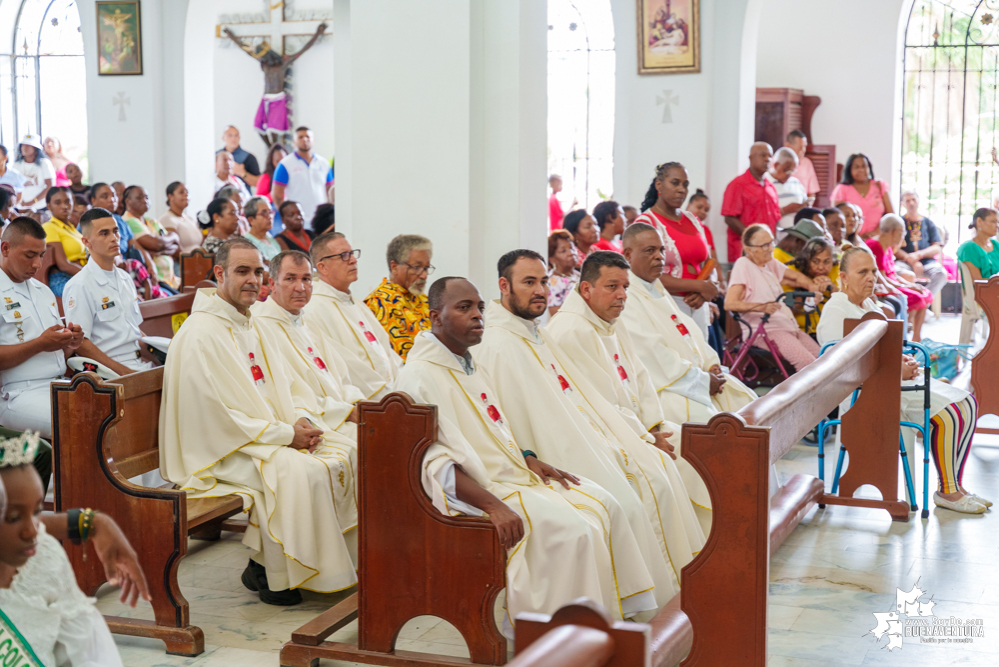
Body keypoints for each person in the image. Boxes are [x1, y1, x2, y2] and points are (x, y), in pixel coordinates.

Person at [396, 276, 664, 630]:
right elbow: (433, 463)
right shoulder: (419, 376)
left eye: (479, 306)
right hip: (484, 490)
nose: (478, 315)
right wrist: (492, 506)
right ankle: (551, 632)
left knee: (605, 503)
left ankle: (602, 619)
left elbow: (495, 428)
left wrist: (527, 457)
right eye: (464, 308)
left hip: (514, 475)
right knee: (573, 530)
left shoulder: (466, 363)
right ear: (435, 316)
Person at [479, 250, 704, 586]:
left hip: (584, 438)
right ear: (504, 285)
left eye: (543, 281)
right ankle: (649, 598)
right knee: (630, 499)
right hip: (552, 452)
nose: (540, 290)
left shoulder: (534, 333)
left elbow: (583, 397)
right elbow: (516, 422)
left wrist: (631, 437)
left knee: (654, 476)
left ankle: (681, 584)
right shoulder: (498, 345)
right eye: (529, 282)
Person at [160, 238, 360, 605]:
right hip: (216, 451)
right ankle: (273, 573)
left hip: (256, 436)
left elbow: (285, 385)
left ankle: (327, 564)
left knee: (344, 449)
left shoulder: (249, 324)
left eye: (256, 271)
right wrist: (286, 436)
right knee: (302, 472)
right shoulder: (200, 334)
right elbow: (215, 418)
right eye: (242, 271)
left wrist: (299, 421)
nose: (252, 280)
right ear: (219, 273)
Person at [817, 247, 988, 514]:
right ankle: (948, 491)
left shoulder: (870, 305)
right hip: (865, 395)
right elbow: (840, 365)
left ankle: (954, 485)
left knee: (968, 403)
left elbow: (883, 350)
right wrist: (896, 369)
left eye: (873, 271)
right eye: (862, 272)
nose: (871, 277)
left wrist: (904, 360)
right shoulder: (836, 309)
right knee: (952, 412)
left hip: (890, 384)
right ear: (844, 277)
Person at [544, 253, 707, 526]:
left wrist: (654, 427)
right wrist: (649, 437)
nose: (622, 295)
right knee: (665, 469)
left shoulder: (609, 321)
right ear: (586, 289)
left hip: (635, 427)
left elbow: (640, 378)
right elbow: (599, 406)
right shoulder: (572, 331)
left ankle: (709, 543)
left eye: (625, 287)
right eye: (612, 286)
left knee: (700, 447)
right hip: (604, 436)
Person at [617, 224, 769, 507]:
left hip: (695, 380)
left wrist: (712, 365)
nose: (659, 257)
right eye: (649, 251)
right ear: (627, 254)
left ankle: (760, 504)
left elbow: (689, 331)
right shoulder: (627, 295)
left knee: (749, 405)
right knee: (716, 428)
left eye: (661, 250)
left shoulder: (655, 287)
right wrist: (701, 380)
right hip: (667, 390)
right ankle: (729, 510)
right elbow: (651, 354)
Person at [0, 433, 151, 667]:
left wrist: (92, 522)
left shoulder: (44, 556)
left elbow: (87, 651)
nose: (32, 531)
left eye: (38, 511)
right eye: (12, 517)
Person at [0, 218, 84, 438]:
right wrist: (40, 344)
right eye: (30, 255)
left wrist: (71, 343)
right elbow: (42, 346)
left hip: (58, 383)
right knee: (80, 423)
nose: (37, 264)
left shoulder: (43, 291)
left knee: (114, 413)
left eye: (41, 255)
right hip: (17, 393)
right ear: (5, 248)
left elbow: (56, 354)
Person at [307, 232, 402, 399]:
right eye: (344, 255)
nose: (353, 260)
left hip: (391, 398)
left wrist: (403, 386)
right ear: (322, 267)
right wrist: (388, 397)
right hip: (362, 403)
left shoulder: (357, 304)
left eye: (352, 253)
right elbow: (344, 365)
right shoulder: (314, 308)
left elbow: (386, 350)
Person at [63, 207, 156, 376]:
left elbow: (134, 331)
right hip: (110, 372)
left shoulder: (125, 278)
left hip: (139, 364)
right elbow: (82, 344)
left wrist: (161, 357)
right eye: (104, 234)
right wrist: (126, 373)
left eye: (115, 231)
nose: (114, 238)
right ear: (86, 242)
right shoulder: (80, 285)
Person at [634, 162, 719, 338]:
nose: (681, 189)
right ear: (659, 185)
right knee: (678, 361)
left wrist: (701, 293)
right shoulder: (647, 223)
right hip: (666, 303)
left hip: (697, 303)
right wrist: (698, 286)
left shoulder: (693, 220)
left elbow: (708, 262)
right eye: (675, 183)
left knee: (702, 359)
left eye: (685, 185)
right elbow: (646, 274)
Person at [724, 224, 823, 371]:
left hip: (789, 326)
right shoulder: (743, 264)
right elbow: (729, 304)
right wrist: (762, 307)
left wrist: (813, 288)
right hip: (767, 330)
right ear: (749, 249)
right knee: (807, 363)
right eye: (765, 245)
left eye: (771, 242)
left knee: (824, 359)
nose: (771, 249)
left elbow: (795, 277)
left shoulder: (768, 263)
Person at [364, 234, 433, 360]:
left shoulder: (425, 300)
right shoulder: (379, 302)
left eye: (426, 268)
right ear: (394, 267)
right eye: (417, 267)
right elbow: (393, 358)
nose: (424, 275)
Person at [867, 214, 931, 342]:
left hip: (892, 283)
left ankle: (915, 337)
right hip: (883, 287)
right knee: (918, 296)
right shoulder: (875, 246)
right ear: (895, 232)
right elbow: (882, 279)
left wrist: (910, 285)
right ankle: (907, 335)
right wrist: (906, 286)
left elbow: (893, 274)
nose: (903, 236)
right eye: (902, 232)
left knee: (924, 292)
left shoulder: (889, 247)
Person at [721, 142, 781, 262]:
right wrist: (754, 239)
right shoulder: (737, 185)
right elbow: (730, 218)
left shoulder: (771, 187)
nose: (767, 159)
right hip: (745, 251)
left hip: (767, 251)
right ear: (751, 158)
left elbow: (775, 219)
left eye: (770, 156)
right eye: (763, 155)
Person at [272, 127, 334, 225]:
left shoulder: (324, 163)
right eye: (300, 137)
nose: (305, 140)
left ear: (313, 140)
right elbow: (277, 195)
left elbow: (330, 190)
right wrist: (287, 217)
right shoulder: (285, 164)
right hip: (297, 220)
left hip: (321, 219)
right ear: (294, 141)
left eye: (308, 137)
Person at [123, 186, 180, 290]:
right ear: (128, 201)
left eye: (147, 197)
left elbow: (175, 246)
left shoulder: (151, 221)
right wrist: (162, 244)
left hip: (171, 279)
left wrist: (158, 251)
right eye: (139, 198)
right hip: (154, 281)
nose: (145, 201)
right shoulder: (129, 221)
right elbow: (156, 244)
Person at [896, 190, 947, 297]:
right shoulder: (899, 222)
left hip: (927, 262)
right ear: (903, 204)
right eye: (908, 201)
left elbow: (937, 247)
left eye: (914, 199)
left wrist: (919, 255)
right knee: (897, 271)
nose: (911, 203)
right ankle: (909, 301)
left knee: (941, 274)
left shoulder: (928, 222)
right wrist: (910, 259)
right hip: (904, 262)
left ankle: (923, 302)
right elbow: (893, 247)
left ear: (918, 201)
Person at [831, 154, 893, 238]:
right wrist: (856, 236)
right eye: (856, 167)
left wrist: (875, 232)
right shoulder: (841, 189)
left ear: (869, 168)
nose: (861, 170)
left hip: (878, 238)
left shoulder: (879, 185)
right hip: (851, 239)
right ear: (849, 170)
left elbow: (890, 215)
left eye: (864, 166)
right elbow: (836, 218)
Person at [788, 237, 839, 336]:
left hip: (830, 332)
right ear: (806, 260)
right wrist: (808, 288)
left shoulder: (837, 270)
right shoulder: (793, 272)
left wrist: (833, 289)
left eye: (826, 262)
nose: (821, 267)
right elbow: (786, 312)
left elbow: (847, 307)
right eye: (815, 261)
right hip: (800, 332)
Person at [40, 187, 84, 296]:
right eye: (58, 203)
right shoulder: (49, 227)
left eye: (68, 202)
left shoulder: (74, 229)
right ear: (49, 206)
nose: (64, 206)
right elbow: (63, 265)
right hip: (62, 278)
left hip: (80, 274)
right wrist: (91, 277)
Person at [765, 147, 807, 232]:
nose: (789, 174)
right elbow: (761, 215)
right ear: (776, 165)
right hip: (775, 237)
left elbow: (805, 202)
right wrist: (784, 210)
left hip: (798, 235)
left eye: (792, 171)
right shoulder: (764, 182)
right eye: (786, 170)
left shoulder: (796, 183)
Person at [157, 181, 202, 254]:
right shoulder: (167, 219)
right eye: (181, 192)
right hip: (182, 262)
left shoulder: (190, 219)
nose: (186, 194)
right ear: (170, 196)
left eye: (187, 192)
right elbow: (175, 250)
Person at [14, 135, 54, 214]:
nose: (25, 148)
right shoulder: (16, 165)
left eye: (28, 145)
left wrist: (32, 202)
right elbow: (13, 186)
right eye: (23, 145)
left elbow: (50, 186)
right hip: (20, 208)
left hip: (41, 208)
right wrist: (20, 201)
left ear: (35, 149)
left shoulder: (44, 163)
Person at [957, 207, 999, 281]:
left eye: (997, 222)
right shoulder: (968, 248)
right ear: (979, 221)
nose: (997, 226)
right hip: (985, 291)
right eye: (993, 222)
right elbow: (978, 284)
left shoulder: (996, 245)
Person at [547, 229, 579, 316]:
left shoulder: (578, 275)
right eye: (563, 251)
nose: (571, 253)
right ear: (552, 259)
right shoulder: (553, 282)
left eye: (571, 247)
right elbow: (556, 315)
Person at [243, 196, 281, 261]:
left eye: (270, 212)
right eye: (264, 213)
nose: (270, 217)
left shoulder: (271, 239)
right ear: (251, 220)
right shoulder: (246, 243)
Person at [785, 129, 820, 199]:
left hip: (802, 207)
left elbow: (811, 194)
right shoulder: (774, 162)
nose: (803, 150)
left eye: (804, 147)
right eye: (800, 147)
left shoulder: (807, 163)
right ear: (788, 145)